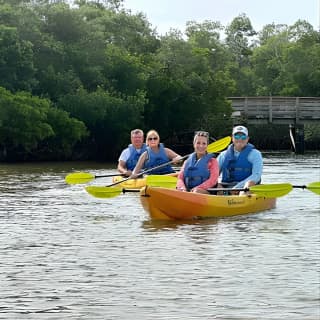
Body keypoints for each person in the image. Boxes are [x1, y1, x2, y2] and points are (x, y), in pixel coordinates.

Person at [217, 125, 263, 192]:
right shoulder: (223, 155)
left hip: (247, 188)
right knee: (217, 187)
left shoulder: (256, 154)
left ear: (247, 139)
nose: (240, 139)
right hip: (227, 187)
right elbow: (213, 175)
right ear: (232, 138)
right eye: (237, 136)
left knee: (249, 183)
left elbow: (256, 175)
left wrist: (238, 187)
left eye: (243, 136)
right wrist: (217, 184)